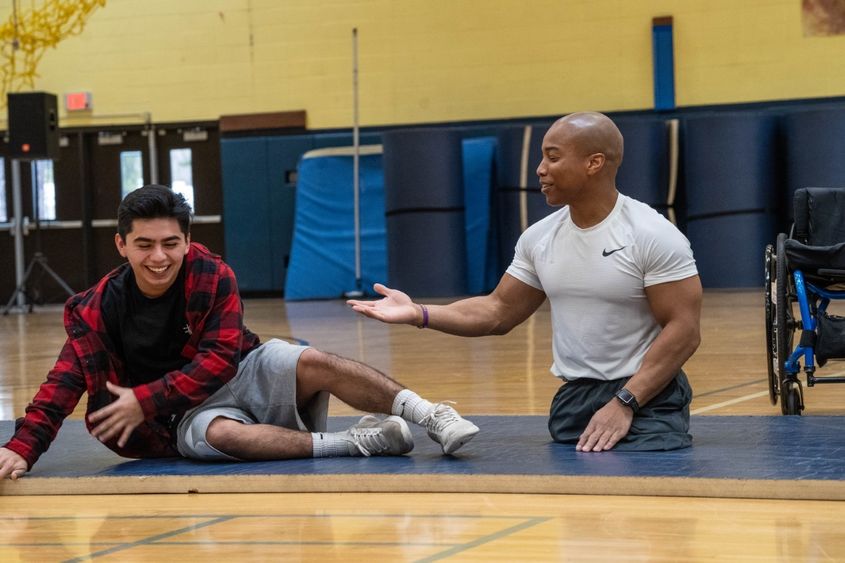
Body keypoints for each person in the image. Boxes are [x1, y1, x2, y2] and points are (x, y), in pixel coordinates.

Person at [0, 185, 479, 480]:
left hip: (237, 370)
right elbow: (63, 383)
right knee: (222, 437)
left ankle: (431, 415)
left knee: (313, 360)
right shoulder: (98, 307)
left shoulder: (213, 274)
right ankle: (359, 442)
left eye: (170, 243)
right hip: (177, 417)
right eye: (143, 245)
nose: (158, 257)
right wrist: (22, 449)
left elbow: (220, 358)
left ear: (187, 240)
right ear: (121, 244)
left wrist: (143, 397)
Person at [349, 112, 702, 452]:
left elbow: (684, 330)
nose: (540, 169)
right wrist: (418, 313)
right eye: (542, 157)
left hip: (647, 393)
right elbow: (498, 310)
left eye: (553, 157)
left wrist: (625, 402)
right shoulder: (540, 238)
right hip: (576, 396)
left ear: (593, 163)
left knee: (643, 466)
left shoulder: (652, 234)